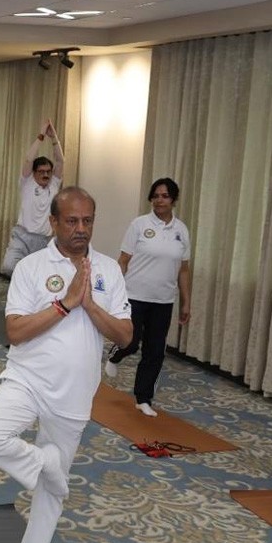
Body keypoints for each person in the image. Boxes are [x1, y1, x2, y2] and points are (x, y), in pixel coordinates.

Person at [0, 187, 131, 543]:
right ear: (53, 222)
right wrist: (66, 303)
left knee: (51, 494)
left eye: (88, 220)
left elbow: (125, 335)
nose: (81, 229)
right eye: (72, 221)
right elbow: (15, 331)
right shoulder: (31, 267)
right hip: (27, 381)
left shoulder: (108, 271)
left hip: (75, 394)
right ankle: (45, 463)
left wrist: (90, 305)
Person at [104, 178, 192, 417]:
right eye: (155, 196)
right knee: (131, 342)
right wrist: (115, 289)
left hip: (163, 300)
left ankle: (143, 398)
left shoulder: (181, 230)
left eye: (164, 196)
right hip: (134, 295)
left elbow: (184, 270)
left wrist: (186, 301)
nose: (159, 200)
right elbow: (123, 260)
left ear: (173, 200)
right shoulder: (139, 225)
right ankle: (115, 356)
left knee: (155, 351)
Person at [1, 120, 65, 274]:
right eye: (41, 172)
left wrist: (54, 138)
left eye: (48, 172)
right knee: (9, 266)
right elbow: (29, 159)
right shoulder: (27, 183)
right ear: (34, 173)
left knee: (40, 275)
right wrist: (41, 135)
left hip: (44, 240)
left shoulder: (54, 185)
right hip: (22, 237)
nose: (45, 175)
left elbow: (60, 161)